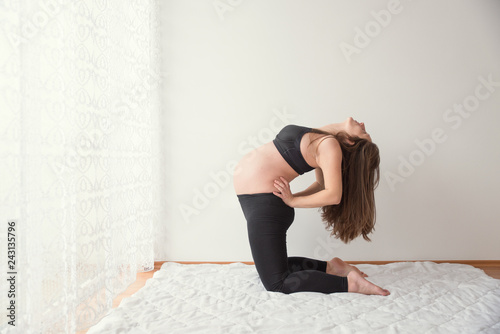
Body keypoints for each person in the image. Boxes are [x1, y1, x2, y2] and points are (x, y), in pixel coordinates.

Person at [233, 117, 390, 296]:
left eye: (364, 133)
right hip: (261, 203)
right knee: (277, 267)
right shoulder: (324, 137)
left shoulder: (330, 145)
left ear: (351, 141)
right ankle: (332, 267)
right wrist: (289, 199)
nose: (363, 124)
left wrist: (292, 201)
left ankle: (349, 284)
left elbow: (333, 195)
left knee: (276, 283)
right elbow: (320, 185)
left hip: (265, 207)